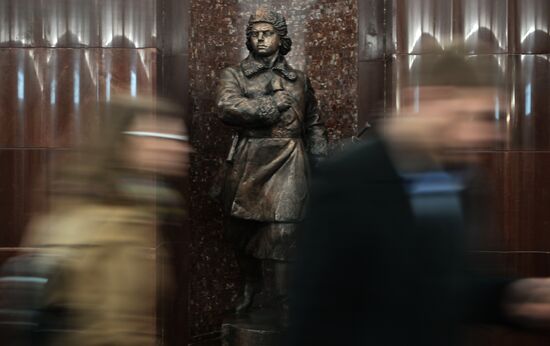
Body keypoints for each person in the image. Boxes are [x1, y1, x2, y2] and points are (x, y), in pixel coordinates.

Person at [287, 51, 550, 345]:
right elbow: (312, 315)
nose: (492, 134)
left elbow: (448, 290)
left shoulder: (463, 182)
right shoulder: (350, 179)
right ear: (432, 100)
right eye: (479, 117)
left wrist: (518, 296)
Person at [0, 97, 191, 346]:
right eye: (165, 137)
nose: (181, 148)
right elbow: (107, 328)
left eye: (179, 138)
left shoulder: (139, 208)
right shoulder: (101, 220)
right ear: (125, 142)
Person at [216, 8, 328, 314]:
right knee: (242, 231)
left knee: (285, 232)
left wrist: (321, 161)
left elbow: (314, 123)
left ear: (281, 38)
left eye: (267, 33)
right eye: (254, 34)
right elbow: (226, 106)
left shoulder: (299, 79)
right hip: (250, 159)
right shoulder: (234, 74)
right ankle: (251, 285)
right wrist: (269, 104)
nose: (260, 39)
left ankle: (284, 302)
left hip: (291, 159)